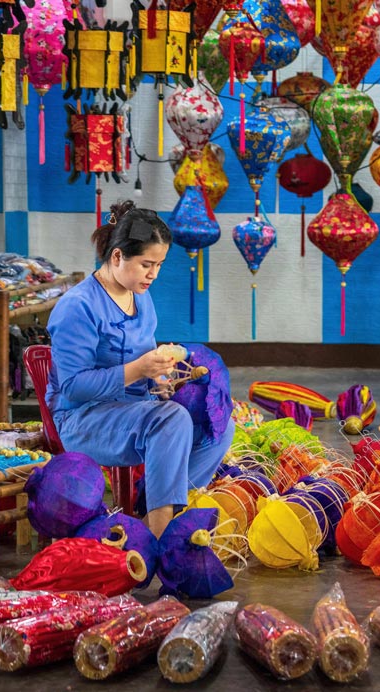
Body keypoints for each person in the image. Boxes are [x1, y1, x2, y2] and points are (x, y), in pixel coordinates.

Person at [45, 200, 235, 538]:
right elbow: (73, 387)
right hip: (82, 419)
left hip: (132, 412)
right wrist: (139, 369)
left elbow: (145, 367)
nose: (154, 275)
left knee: (217, 423)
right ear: (117, 256)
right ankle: (161, 530)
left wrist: (162, 380)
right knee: (171, 419)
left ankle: (171, 509)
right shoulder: (78, 307)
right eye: (147, 264)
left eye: (159, 265)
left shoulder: (140, 297)